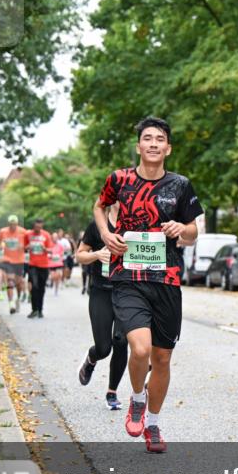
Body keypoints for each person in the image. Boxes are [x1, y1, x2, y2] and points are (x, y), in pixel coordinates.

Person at [95, 116, 202, 453]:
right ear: (139, 145)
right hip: (128, 276)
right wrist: (105, 234)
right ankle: (137, 397)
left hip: (167, 279)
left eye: (160, 139)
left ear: (168, 148)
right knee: (140, 348)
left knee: (163, 357)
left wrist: (180, 230)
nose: (154, 144)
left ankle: (153, 424)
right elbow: (100, 207)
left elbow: (194, 230)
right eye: (148, 138)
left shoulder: (180, 185)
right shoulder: (119, 180)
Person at [76, 202, 129, 410]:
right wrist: (97, 255)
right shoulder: (97, 226)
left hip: (127, 292)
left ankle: (112, 392)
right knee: (104, 347)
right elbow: (80, 254)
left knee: (121, 341)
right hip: (101, 290)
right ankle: (92, 357)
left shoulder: (134, 226)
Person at [24, 218, 54, 318]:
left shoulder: (46, 235)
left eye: (40, 227)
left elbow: (51, 250)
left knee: (41, 288)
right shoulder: (28, 234)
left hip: (44, 265)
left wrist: (45, 249)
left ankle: (40, 310)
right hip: (32, 264)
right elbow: (23, 247)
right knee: (34, 287)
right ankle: (34, 309)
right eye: (36, 227)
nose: (38, 229)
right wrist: (28, 247)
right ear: (34, 226)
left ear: (42, 226)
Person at [0, 215, 26, 314]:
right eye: (11, 224)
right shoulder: (3, 231)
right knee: (10, 281)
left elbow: (28, 242)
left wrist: (24, 246)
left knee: (19, 283)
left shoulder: (23, 231)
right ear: (8, 224)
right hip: (8, 260)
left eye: (14, 224)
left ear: (17, 224)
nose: (13, 226)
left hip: (19, 260)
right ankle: (11, 304)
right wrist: (0, 249)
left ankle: (17, 298)